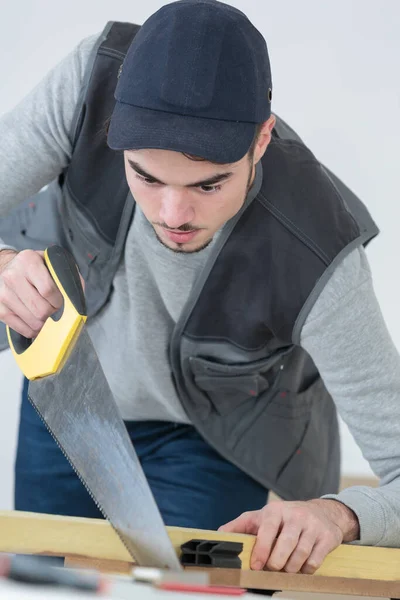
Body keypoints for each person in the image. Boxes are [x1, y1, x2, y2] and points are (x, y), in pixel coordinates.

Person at [0, 0, 399, 576]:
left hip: (217, 445)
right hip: (72, 397)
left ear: (261, 141)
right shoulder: (89, 87)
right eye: (145, 175)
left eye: (210, 183)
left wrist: (340, 514)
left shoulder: (321, 258)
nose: (173, 213)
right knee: (45, 589)